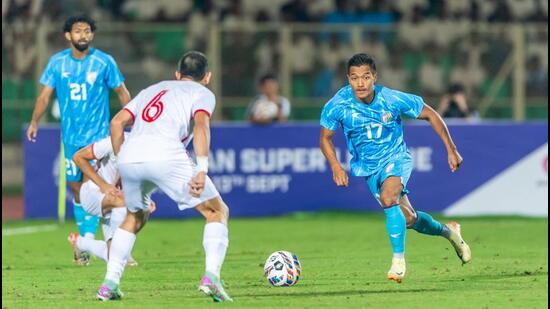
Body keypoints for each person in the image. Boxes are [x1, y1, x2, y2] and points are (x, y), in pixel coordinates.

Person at [319, 53, 471, 284]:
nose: (360, 83)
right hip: (368, 168)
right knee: (408, 219)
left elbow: (430, 113)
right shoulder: (337, 105)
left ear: (375, 77)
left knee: (389, 198)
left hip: (396, 157)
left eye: (366, 77)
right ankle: (450, 232)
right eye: (354, 78)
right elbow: (325, 138)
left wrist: (452, 149)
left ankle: (398, 262)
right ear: (348, 79)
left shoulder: (390, 99)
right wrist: (335, 167)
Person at [96, 51, 232, 302]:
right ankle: (211, 277)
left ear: (178, 75)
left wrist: (120, 163)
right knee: (216, 211)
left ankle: (109, 283)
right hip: (166, 154)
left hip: (130, 155)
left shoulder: (152, 89)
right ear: (208, 77)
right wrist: (201, 169)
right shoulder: (203, 93)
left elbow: (117, 123)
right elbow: (201, 125)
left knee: (135, 216)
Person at [25, 14, 132, 263]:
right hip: (72, 137)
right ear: (68, 35)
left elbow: (122, 91)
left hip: (100, 137)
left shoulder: (104, 61)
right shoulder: (57, 63)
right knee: (78, 191)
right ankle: (88, 243)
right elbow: (44, 97)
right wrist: (34, 121)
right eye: (77, 31)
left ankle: (105, 245)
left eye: (87, 31)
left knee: (103, 188)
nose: (82, 35)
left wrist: (131, 121)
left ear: (91, 35)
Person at [70, 135, 156, 266]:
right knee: (123, 201)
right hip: (93, 193)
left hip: (116, 200)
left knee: (113, 255)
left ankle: (81, 243)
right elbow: (78, 157)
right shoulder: (113, 141)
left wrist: (145, 198)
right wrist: (103, 185)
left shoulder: (147, 149)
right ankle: (123, 252)